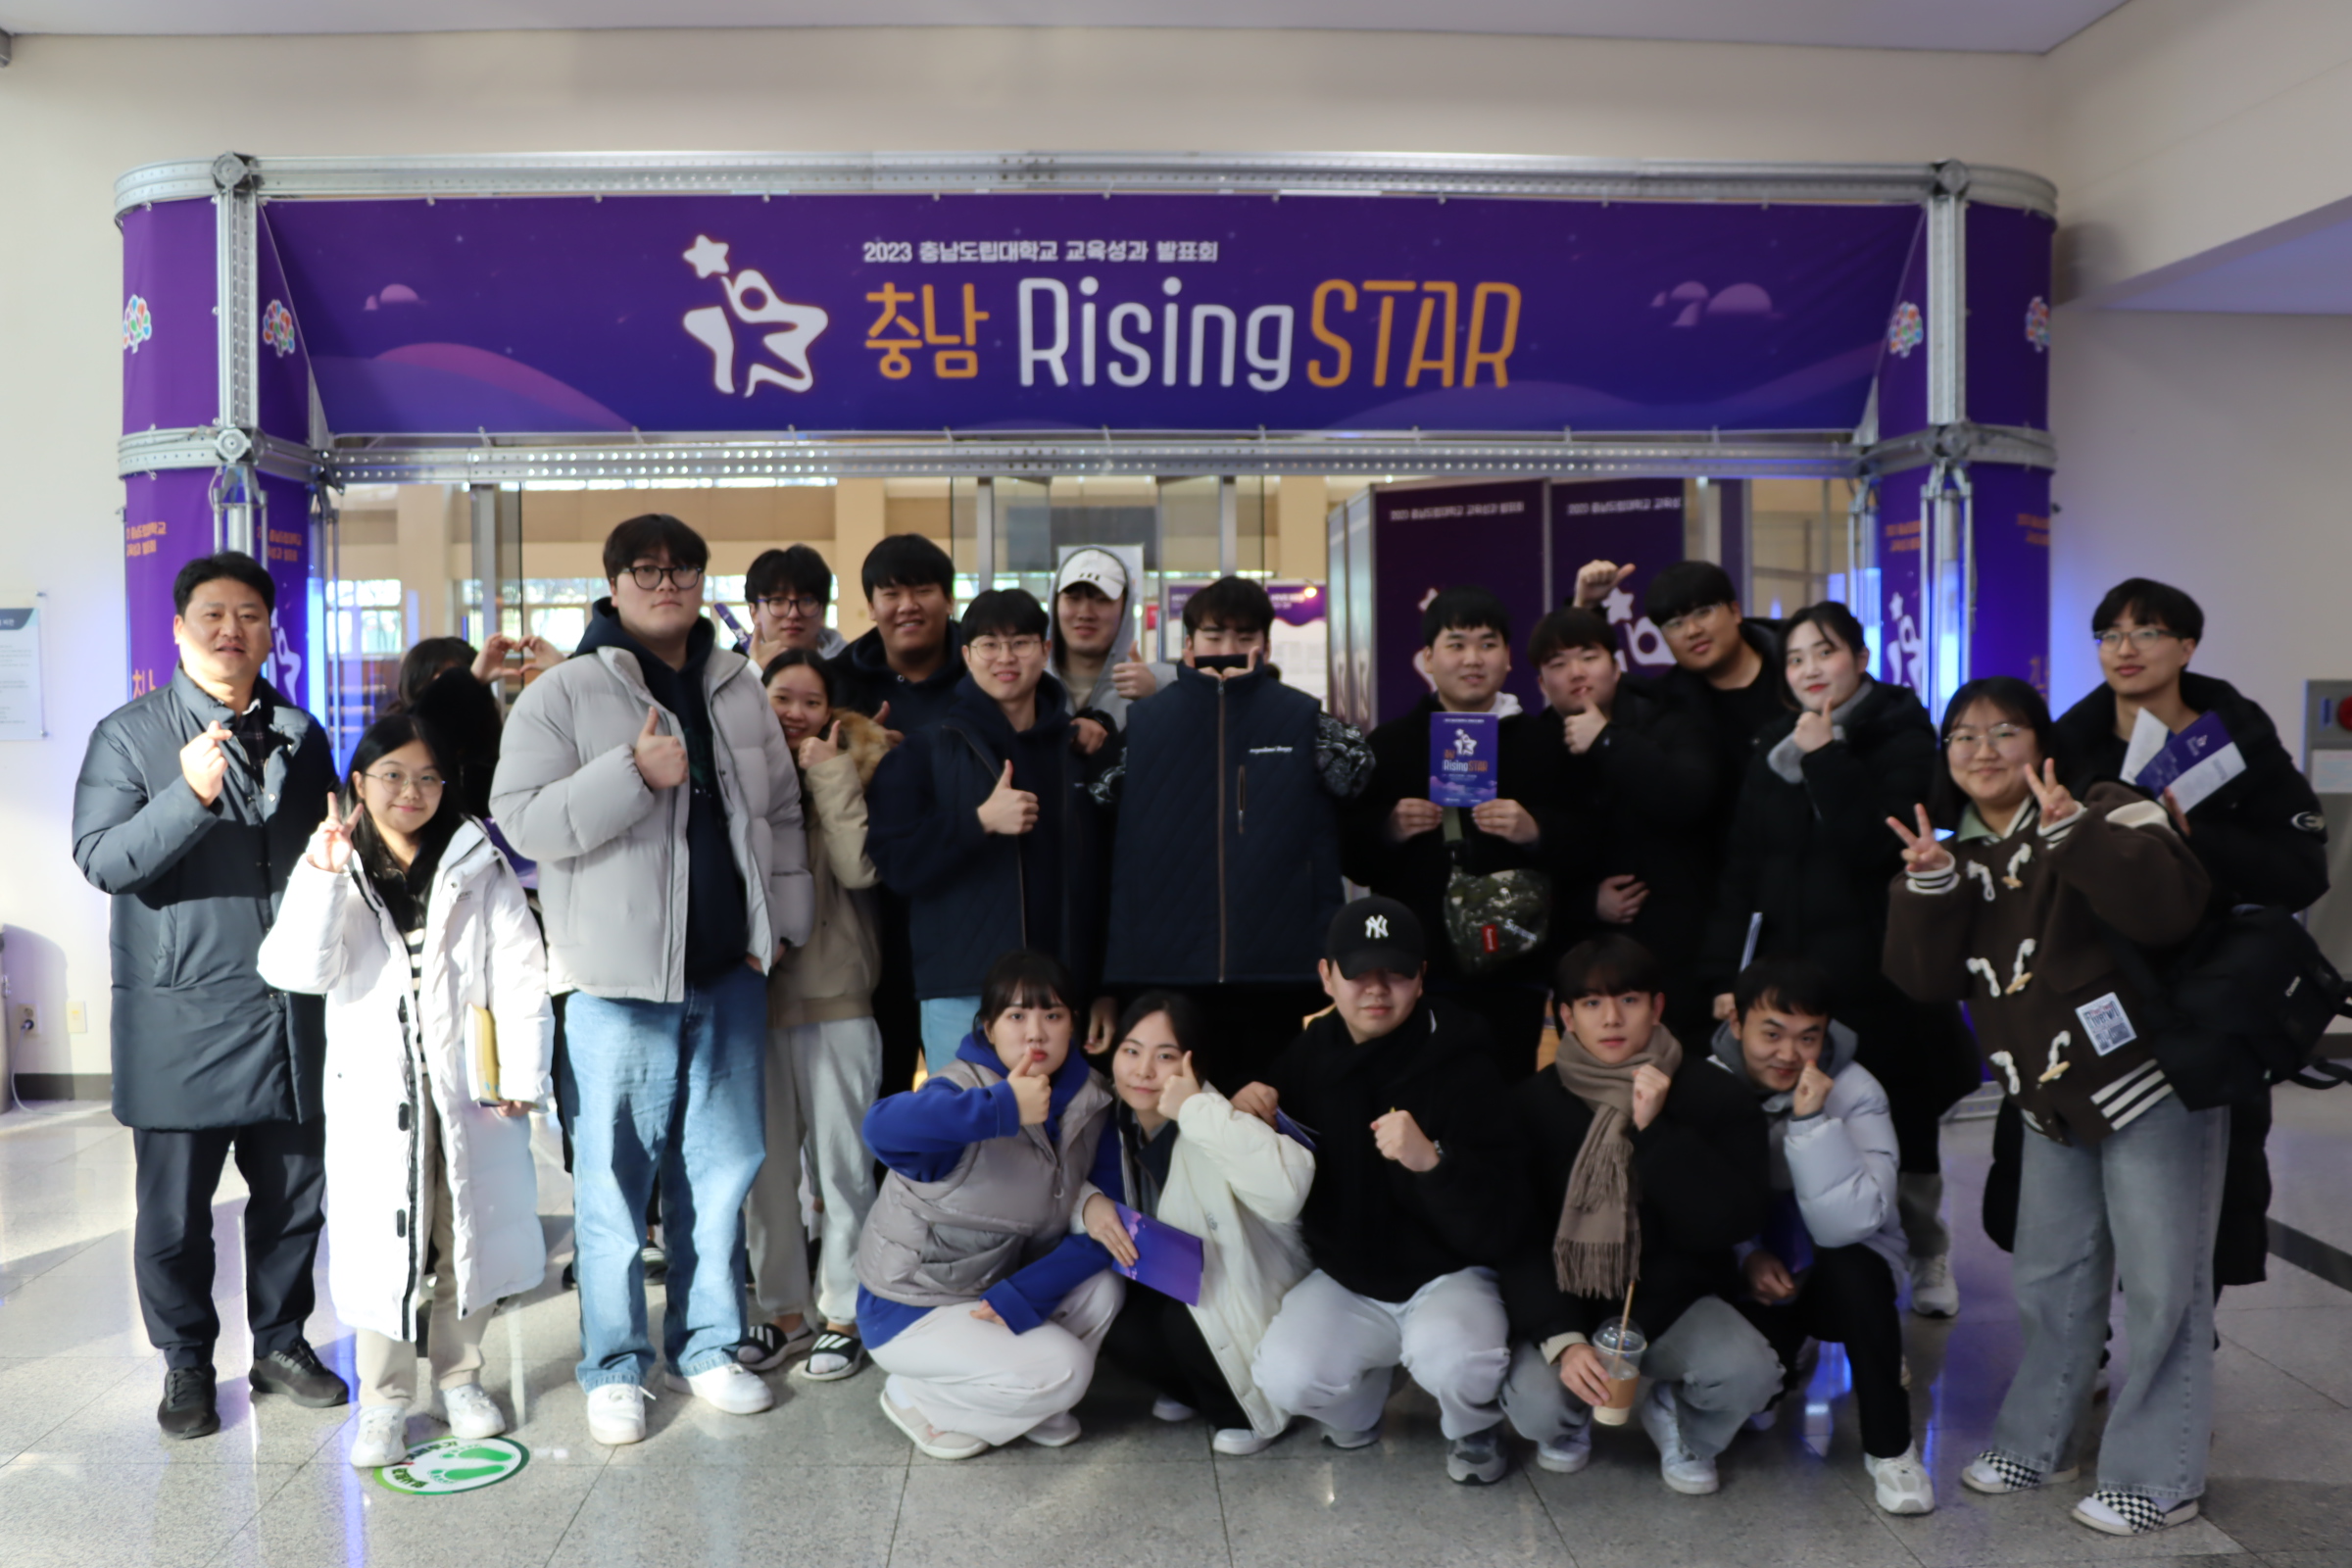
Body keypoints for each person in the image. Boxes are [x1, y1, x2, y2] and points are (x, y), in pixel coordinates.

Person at [490, 513, 813, 1446]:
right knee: (613, 1188)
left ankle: (708, 1347)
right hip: (614, 987)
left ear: (702, 581)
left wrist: (781, 928)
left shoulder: (738, 686)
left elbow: (782, 815)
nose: (666, 584)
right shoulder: (564, 691)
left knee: (719, 1177)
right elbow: (525, 822)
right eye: (646, 569)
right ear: (613, 583)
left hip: (729, 974)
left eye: (682, 569)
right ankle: (616, 1365)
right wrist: (632, 772)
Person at [1885, 674, 2218, 1537]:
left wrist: (2076, 834)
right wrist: (1926, 888)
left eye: (2005, 731)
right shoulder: (1954, 857)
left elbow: (2174, 909)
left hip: (2150, 1084)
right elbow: (1923, 983)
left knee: (2162, 1290)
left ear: (2042, 744)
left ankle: (2161, 1477)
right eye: (1964, 735)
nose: (1983, 750)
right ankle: (2041, 1443)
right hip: (2046, 1101)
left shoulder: (2105, 806)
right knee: (2049, 1282)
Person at [71, 550, 348, 1440]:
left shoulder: (300, 732)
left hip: (287, 1010)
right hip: (179, 1013)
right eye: (214, 616)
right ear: (180, 630)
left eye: (251, 616)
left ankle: (281, 1344)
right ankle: (186, 1362)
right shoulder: (128, 736)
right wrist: (187, 796)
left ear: (271, 631)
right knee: (174, 1215)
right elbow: (103, 860)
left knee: (294, 1198)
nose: (233, 631)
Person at [256, 713, 552, 1468]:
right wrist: (322, 876)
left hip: (466, 1086)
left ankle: (460, 1379)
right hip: (375, 1089)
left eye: (426, 777)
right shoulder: (335, 863)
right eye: (392, 776)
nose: (410, 792)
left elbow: (520, 968)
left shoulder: (476, 859)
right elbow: (295, 971)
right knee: (382, 1248)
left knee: (467, 1235)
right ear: (359, 783)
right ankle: (384, 1401)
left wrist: (521, 1071)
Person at [2036, 577, 2328, 1297]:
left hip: (2209, 992)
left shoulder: (2240, 742)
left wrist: (2196, 841)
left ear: (2188, 646)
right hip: (2098, 985)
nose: (2125, 648)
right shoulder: (2064, 750)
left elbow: (2301, 871)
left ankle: (2191, 1335)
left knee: (2208, 1190)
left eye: (2147, 632)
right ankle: (2088, 1336)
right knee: (2081, 1178)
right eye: (2109, 634)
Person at [1694, 601, 1978, 1318]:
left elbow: (1875, 843)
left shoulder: (1902, 731)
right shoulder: (1774, 743)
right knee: (1800, 1122)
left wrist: (1824, 756)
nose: (1809, 669)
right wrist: (1728, 976)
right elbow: (1741, 871)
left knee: (1904, 1120)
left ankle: (1926, 1248)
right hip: (1795, 983)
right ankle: (1804, 1269)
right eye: (1795, 658)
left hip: (1882, 976)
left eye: (1824, 652)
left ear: (1859, 658)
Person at [1245, 898, 1523, 1487]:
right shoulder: (1309, 1054)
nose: (1376, 989)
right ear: (1327, 977)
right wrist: (1250, 1111)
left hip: (1448, 1273)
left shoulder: (1466, 1059)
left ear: (1421, 977)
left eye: (1395, 972)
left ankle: (1473, 1426)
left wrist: (1434, 1162)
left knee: (1457, 1359)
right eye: (1357, 972)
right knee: (1284, 1377)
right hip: (1351, 1277)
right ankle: (1362, 1406)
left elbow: (1502, 1219)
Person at [1498, 935, 1778, 1495]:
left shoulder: (1711, 1094)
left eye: (1628, 1000)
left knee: (1751, 1374)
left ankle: (1680, 1419)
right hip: (1570, 1303)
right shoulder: (1530, 1106)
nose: (1611, 1019)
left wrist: (1656, 1134)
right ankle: (1572, 1418)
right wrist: (1562, 1338)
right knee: (1536, 1409)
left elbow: (1733, 1221)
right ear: (1566, 1017)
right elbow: (1514, 1235)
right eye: (1591, 1003)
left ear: (1657, 1007)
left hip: (1673, 1301)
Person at [1098, 576, 1374, 1089]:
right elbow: (1098, 804)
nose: (1228, 648)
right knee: (1174, 1107)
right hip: (1165, 967)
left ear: (1265, 645)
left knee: (1269, 1109)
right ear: (1188, 645)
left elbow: (1358, 776)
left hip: (1277, 966)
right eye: (1214, 635)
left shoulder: (1300, 717)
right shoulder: (1149, 722)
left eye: (1245, 636)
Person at [858, 951, 1123, 1458]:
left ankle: (1033, 1405)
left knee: (1103, 1288)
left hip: (993, 1282)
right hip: (915, 1304)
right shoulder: (962, 1088)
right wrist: (1001, 1108)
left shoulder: (1091, 1099)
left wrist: (1022, 1294)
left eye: (1052, 1015)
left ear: (1072, 1024)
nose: (1035, 1034)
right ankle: (914, 1395)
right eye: (1016, 1016)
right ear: (988, 1027)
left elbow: (1112, 1219)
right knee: (1068, 1368)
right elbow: (879, 1127)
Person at [1709, 958, 1932, 1515]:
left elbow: (1853, 1222)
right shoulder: (1708, 1085)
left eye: (1808, 1037)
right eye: (1772, 1034)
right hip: (1755, 1265)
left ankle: (1892, 1450)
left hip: (1841, 1264)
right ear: (1736, 1024)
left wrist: (1809, 1122)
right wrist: (1746, 1255)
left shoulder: (1856, 1089)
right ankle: (1781, 1364)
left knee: (1856, 1273)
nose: (1789, 1054)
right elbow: (1698, 1204)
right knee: (1753, 1408)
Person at [866, 589, 1116, 1072]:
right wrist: (979, 822)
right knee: (971, 1119)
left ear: (1045, 650)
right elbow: (895, 863)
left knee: (1064, 1121)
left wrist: (1105, 987)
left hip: (1062, 995)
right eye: (989, 645)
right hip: (964, 991)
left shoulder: (1077, 751)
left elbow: (1110, 876)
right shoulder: (925, 751)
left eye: (1020, 643)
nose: (1006, 658)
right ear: (966, 655)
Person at [738, 650, 890, 1381]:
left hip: (837, 997)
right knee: (765, 1173)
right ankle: (783, 1313)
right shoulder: (738, 775)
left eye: (810, 700)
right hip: (755, 1000)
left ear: (831, 711)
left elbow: (861, 868)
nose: (794, 713)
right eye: (781, 697)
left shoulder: (860, 770)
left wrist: (831, 774)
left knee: (844, 1166)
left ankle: (844, 1313)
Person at [1345, 587, 1561, 1079]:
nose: (1473, 659)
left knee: (1508, 1093)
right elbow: (1352, 856)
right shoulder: (1391, 745)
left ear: (1509, 657)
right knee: (1417, 1094)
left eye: (1488, 644)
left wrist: (1535, 829)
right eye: (1456, 644)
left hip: (1516, 966)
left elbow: (1586, 840)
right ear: (1428, 658)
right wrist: (1389, 829)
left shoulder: (1543, 744)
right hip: (1417, 967)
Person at [1088, 992, 1315, 1456]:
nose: (1143, 1070)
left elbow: (1286, 1192)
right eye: (1131, 1050)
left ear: (1194, 1064)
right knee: (1121, 1323)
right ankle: (1200, 1391)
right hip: (1176, 1276)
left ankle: (1245, 1414)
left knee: (1182, 1318)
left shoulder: (1222, 1117)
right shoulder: (1114, 1120)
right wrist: (1086, 1204)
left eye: (1165, 1056)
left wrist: (1197, 1110)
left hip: (1245, 1287)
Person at [1524, 605, 1718, 1044]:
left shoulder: (1669, 720)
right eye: (1558, 664)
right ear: (1541, 684)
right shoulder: (1535, 746)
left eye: (1589, 657)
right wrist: (1586, 903)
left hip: (1676, 944)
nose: (1576, 672)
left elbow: (1687, 799)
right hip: (1580, 953)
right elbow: (1529, 867)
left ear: (1616, 667)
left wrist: (1607, 740)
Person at [828, 532, 966, 1096]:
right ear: (870, 606)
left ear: (948, 599)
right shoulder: (840, 682)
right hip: (870, 911)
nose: (907, 605)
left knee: (964, 1087)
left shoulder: (983, 670)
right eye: (891, 593)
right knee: (880, 1087)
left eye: (923, 590)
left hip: (963, 902)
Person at [1572, 557, 1782, 858]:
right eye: (1674, 624)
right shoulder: (1667, 701)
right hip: (1722, 866)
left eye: (1703, 612)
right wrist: (1586, 608)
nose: (1692, 630)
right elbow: (1597, 685)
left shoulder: (1797, 672)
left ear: (1735, 611)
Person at [386, 634, 562, 819]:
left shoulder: (498, 753)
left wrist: (566, 674)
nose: (450, 700)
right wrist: (470, 678)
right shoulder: (394, 743)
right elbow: (420, 731)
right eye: (440, 685)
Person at [1049, 547, 1177, 730]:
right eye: (1073, 598)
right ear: (1055, 604)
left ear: (1125, 608)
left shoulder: (1165, 684)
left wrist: (1157, 700)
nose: (1085, 613)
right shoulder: (1027, 684)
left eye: (1102, 599)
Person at [741, 544, 848, 664]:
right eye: (778, 600)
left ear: (823, 612)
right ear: (754, 613)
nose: (793, 614)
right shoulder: (732, 672)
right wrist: (754, 671)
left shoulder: (851, 669)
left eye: (808, 601)